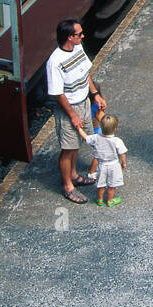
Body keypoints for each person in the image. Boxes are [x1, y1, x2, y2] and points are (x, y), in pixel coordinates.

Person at [46, 19, 105, 204]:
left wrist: (95, 94)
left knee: (77, 143)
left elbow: (85, 72)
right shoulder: (55, 62)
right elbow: (58, 93)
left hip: (84, 102)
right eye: (79, 34)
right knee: (68, 148)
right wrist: (73, 115)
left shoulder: (77, 48)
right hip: (69, 108)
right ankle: (68, 187)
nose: (82, 36)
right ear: (69, 37)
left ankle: (73, 175)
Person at [89, 114, 128, 207]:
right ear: (115, 128)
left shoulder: (96, 137)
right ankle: (110, 200)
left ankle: (100, 200)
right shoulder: (117, 141)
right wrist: (124, 163)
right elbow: (122, 154)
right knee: (112, 184)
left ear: (101, 126)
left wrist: (79, 129)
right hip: (113, 165)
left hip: (101, 164)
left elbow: (85, 138)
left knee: (101, 183)